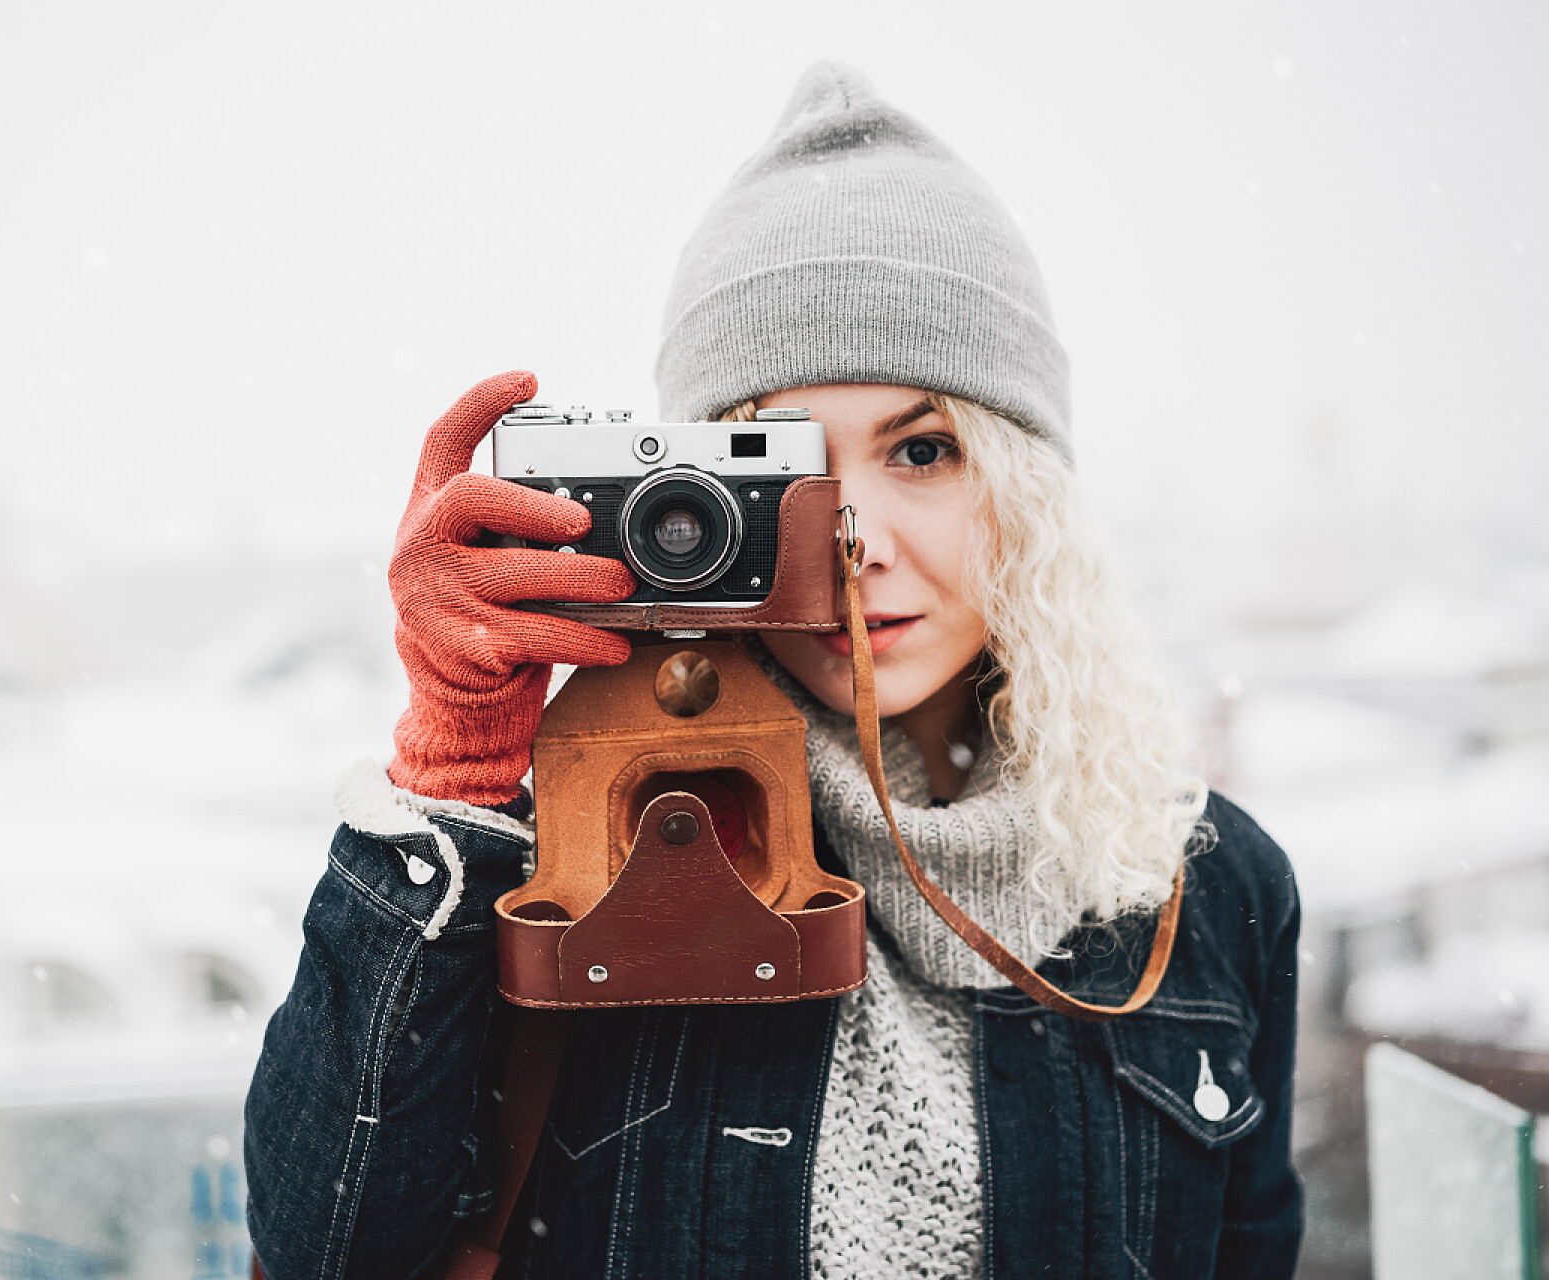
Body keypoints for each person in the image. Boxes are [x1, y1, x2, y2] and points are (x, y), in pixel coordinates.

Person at [244, 62, 1302, 1279]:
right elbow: (327, 1247)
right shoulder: (584, 853)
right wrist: (455, 764)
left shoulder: (1205, 893)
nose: (857, 539)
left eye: (923, 448)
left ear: (1030, 493)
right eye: (788, 468)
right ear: (693, 502)